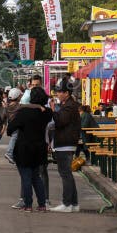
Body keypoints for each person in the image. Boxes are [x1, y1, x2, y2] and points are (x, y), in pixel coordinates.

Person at [7, 87, 53, 212]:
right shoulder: (47, 112)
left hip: (24, 148)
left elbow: (10, 128)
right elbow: (49, 116)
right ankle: (42, 204)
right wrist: (38, 107)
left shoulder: (23, 112)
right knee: (36, 177)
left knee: (26, 177)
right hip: (39, 149)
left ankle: (28, 204)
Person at [49, 78, 81, 213]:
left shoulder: (69, 106)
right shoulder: (68, 105)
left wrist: (52, 110)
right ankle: (73, 203)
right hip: (66, 143)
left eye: (60, 92)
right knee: (67, 174)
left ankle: (67, 203)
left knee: (65, 174)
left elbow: (60, 121)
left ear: (67, 93)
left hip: (65, 143)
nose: (57, 94)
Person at [4, 88, 23, 164]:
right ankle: (9, 153)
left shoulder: (8, 105)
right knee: (14, 138)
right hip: (16, 125)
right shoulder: (18, 106)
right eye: (20, 95)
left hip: (11, 125)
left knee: (15, 139)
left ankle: (13, 155)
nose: (21, 96)